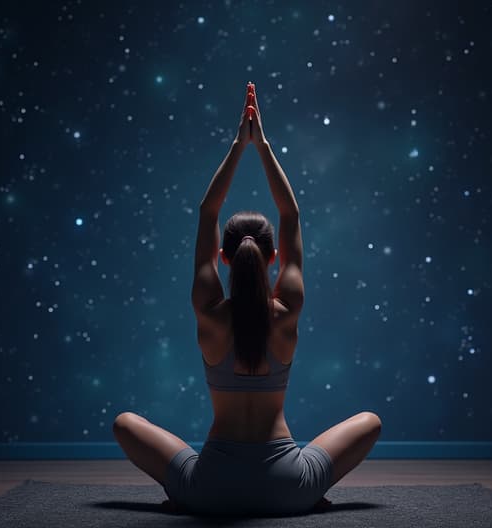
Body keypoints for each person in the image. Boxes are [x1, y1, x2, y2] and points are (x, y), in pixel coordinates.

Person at [113, 82, 382, 517]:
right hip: (289, 488)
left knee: (124, 423)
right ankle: (310, 496)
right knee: (371, 421)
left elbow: (207, 211)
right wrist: (264, 147)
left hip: (209, 490)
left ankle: (184, 494)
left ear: (223, 256)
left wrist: (239, 145)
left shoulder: (210, 314)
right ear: (274, 257)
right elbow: (291, 214)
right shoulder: (287, 310)